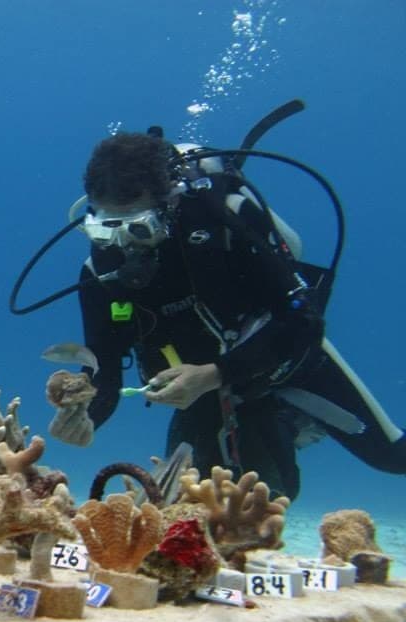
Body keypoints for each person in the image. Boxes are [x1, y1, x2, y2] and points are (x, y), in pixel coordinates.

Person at [46, 130, 406, 500]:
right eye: (107, 229)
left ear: (168, 202)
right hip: (201, 390)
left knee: (393, 457)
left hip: (285, 358)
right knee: (206, 501)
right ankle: (279, 425)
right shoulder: (100, 269)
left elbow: (303, 320)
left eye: (139, 226)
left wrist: (214, 374)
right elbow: (103, 361)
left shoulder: (224, 219)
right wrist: (87, 416)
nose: (125, 243)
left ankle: (284, 414)